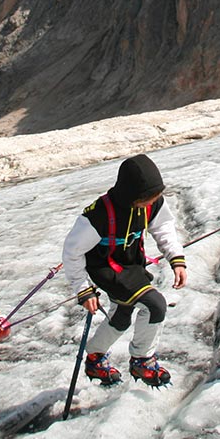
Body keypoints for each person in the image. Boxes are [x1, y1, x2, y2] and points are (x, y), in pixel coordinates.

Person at [62, 154, 188, 387]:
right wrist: (84, 290)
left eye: (156, 198)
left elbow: (163, 228)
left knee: (122, 314)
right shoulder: (98, 215)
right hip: (107, 269)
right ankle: (143, 360)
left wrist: (176, 258)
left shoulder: (152, 201)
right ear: (132, 195)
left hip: (132, 264)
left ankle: (94, 357)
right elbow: (72, 251)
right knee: (155, 305)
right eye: (148, 200)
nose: (153, 203)